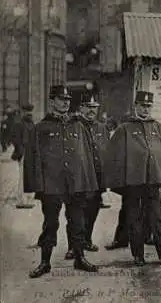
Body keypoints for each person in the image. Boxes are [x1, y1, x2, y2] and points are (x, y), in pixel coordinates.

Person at [26, 85, 99, 278]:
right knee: (50, 224)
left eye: (67, 99)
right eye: (61, 99)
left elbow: (86, 157)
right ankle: (44, 262)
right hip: (52, 186)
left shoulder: (78, 126)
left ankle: (79, 258)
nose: (66, 102)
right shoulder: (41, 128)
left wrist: (88, 182)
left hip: (74, 184)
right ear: (52, 101)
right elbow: (34, 159)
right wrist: (37, 186)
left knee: (77, 222)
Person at [104, 91, 161, 267]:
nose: (145, 109)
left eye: (148, 106)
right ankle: (138, 255)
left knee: (157, 218)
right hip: (133, 182)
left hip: (153, 182)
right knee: (134, 218)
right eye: (142, 106)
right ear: (135, 106)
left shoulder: (158, 128)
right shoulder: (124, 129)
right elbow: (114, 156)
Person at [63, 91, 110, 259]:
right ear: (81, 108)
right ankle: (72, 246)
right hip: (79, 178)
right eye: (88, 107)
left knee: (92, 211)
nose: (91, 110)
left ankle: (86, 240)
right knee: (74, 213)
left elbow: (106, 151)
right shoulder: (73, 125)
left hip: (96, 179)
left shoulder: (101, 127)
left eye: (94, 107)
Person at [11, 104, 36, 209]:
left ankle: (27, 198)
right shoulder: (19, 124)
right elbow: (15, 139)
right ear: (23, 112)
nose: (29, 113)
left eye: (30, 112)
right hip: (24, 153)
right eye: (27, 111)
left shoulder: (31, 124)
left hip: (31, 153)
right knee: (23, 176)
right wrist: (21, 151)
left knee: (29, 175)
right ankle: (21, 200)